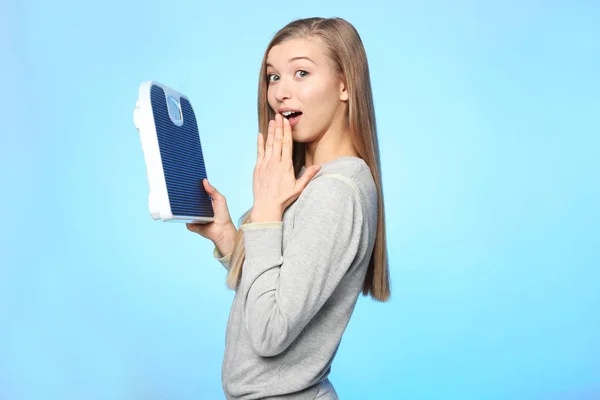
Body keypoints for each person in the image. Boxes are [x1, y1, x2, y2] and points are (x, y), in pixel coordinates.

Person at [187, 16, 390, 400]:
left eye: (301, 73)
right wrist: (230, 239)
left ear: (345, 84)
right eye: (273, 77)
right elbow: (280, 288)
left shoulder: (336, 193)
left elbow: (270, 332)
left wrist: (265, 213)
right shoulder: (315, 180)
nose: (280, 92)